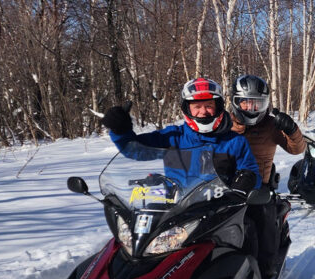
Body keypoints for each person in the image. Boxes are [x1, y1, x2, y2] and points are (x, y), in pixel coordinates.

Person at [100, 77, 261, 197]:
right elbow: (135, 151)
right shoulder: (173, 137)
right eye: (197, 107)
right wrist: (120, 130)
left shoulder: (234, 141)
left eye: (209, 106)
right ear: (187, 109)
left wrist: (244, 183)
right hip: (177, 211)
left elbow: (251, 172)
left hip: (220, 210)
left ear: (217, 107)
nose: (203, 112)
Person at [230, 74, 305, 279]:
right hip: (224, 189)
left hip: (259, 190)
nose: (251, 108)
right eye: (245, 102)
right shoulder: (225, 124)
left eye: (257, 103)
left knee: (263, 229)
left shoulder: (271, 125)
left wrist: (291, 128)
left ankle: (266, 270)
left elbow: (296, 149)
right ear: (236, 102)